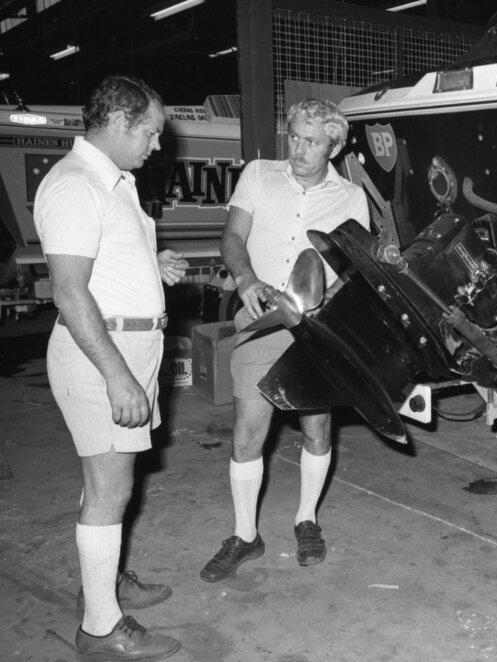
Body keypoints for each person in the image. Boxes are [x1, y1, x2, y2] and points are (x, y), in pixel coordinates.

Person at [34, 75, 187, 660]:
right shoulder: (76, 185)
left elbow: (102, 261)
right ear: (120, 122)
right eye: (150, 131)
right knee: (110, 488)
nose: (157, 144)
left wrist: (151, 262)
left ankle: (103, 583)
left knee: (106, 482)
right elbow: (70, 292)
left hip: (128, 347)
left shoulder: (112, 180)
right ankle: (100, 627)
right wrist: (117, 375)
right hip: (103, 355)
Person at [200, 98, 370, 582]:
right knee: (247, 434)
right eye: (293, 136)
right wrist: (246, 279)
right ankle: (245, 535)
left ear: (334, 146)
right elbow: (233, 237)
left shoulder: (351, 198)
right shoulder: (259, 174)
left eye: (310, 142)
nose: (297, 149)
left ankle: (306, 519)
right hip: (261, 319)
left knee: (317, 430)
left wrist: (328, 300)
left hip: (315, 329)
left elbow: (352, 269)